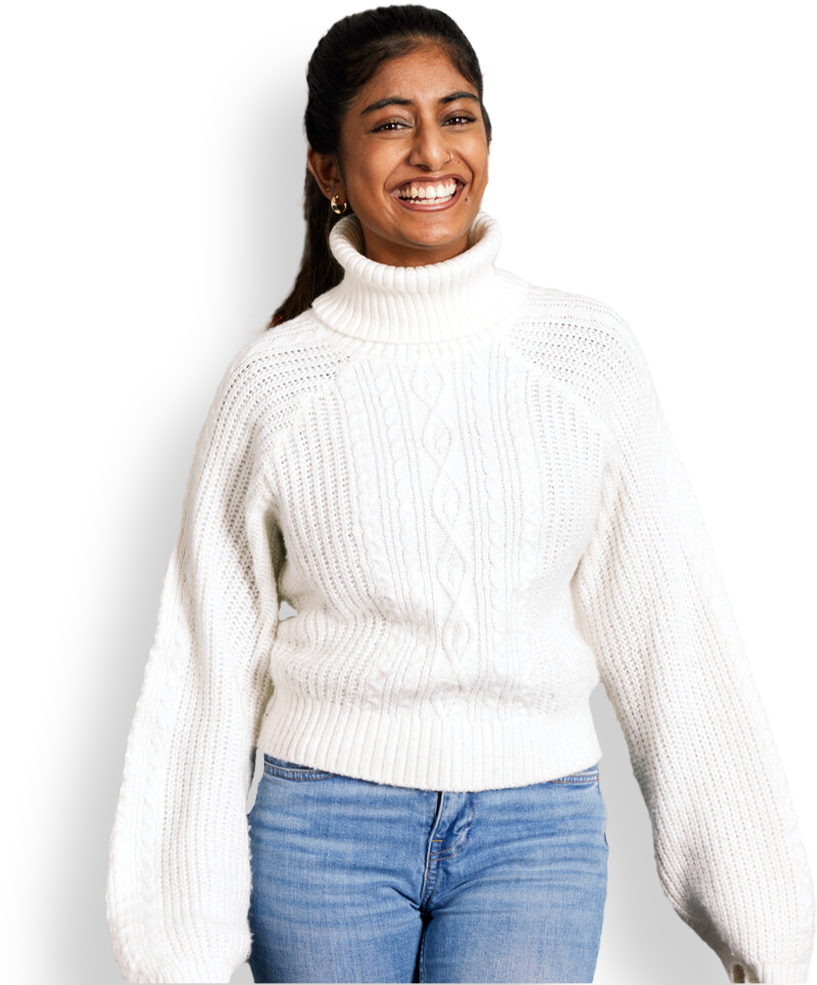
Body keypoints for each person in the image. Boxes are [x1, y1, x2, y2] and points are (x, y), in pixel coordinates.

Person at [104, 4, 816, 984]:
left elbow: (673, 627)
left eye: (457, 116)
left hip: (537, 831)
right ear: (326, 165)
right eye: (390, 122)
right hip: (323, 827)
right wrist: (175, 949)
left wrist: (762, 927)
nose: (431, 151)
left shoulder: (585, 352)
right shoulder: (274, 382)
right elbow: (202, 656)